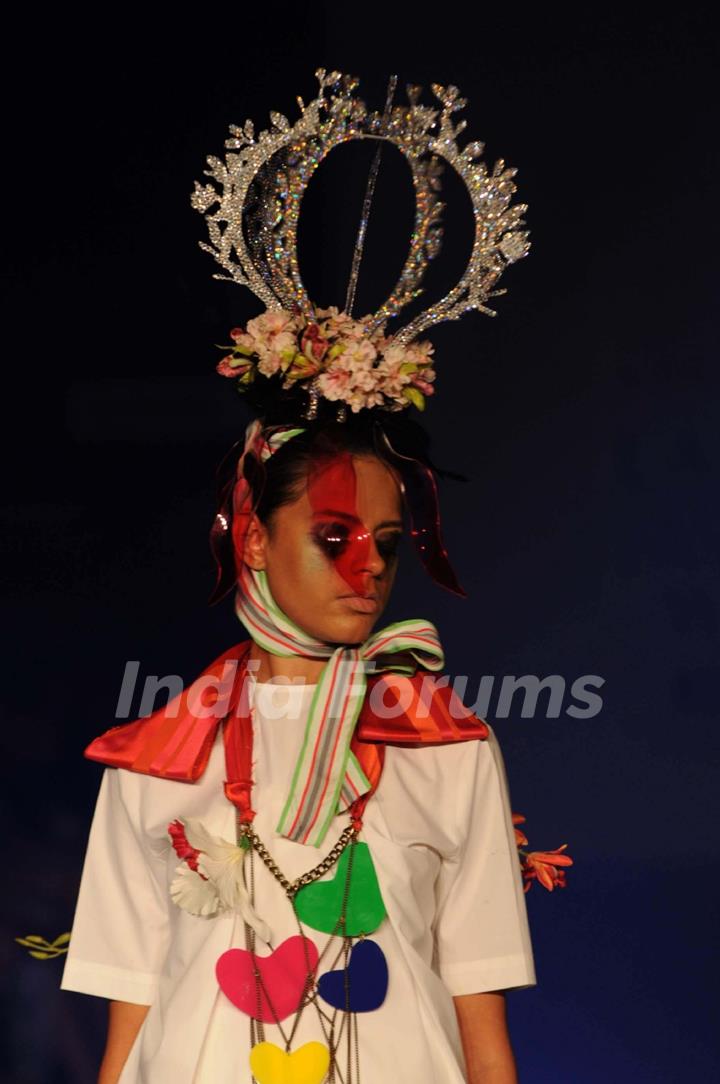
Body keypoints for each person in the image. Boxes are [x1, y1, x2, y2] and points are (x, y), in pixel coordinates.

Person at [60, 71, 536, 1083]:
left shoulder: (449, 747)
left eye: (387, 541)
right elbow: (128, 1015)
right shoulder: (154, 757)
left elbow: (479, 1007)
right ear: (253, 539)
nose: (368, 568)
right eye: (330, 535)